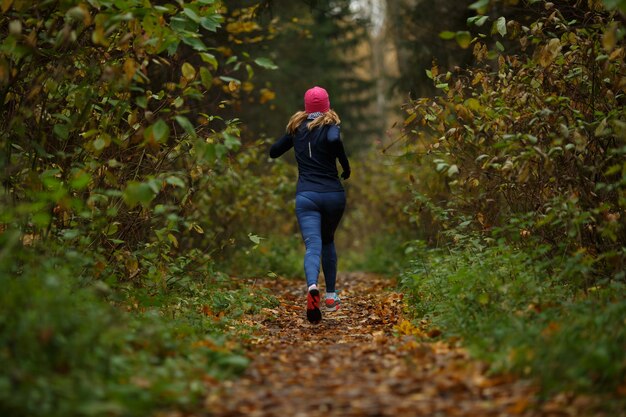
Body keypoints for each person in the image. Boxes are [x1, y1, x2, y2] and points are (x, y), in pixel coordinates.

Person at [269, 86, 351, 324]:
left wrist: (293, 138)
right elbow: (334, 139)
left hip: (306, 197)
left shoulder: (297, 130)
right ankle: (331, 296)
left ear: (306, 107)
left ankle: (312, 286)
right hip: (333, 196)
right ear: (326, 105)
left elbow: (274, 152)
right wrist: (345, 166)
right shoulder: (331, 127)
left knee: (312, 245)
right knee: (328, 240)